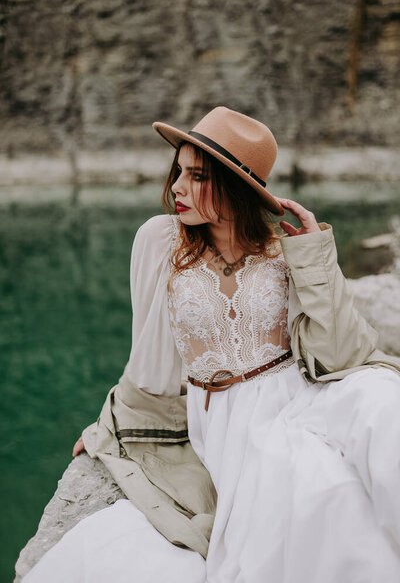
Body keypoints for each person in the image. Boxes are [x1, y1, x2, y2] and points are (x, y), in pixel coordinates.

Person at [22, 106, 400, 583]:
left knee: (385, 406)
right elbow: (148, 356)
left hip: (299, 395)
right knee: (319, 489)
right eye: (178, 171)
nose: (177, 186)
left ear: (235, 186)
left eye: (196, 175)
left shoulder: (283, 250)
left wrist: (316, 254)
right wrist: (111, 426)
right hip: (225, 416)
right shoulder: (161, 241)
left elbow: (345, 353)